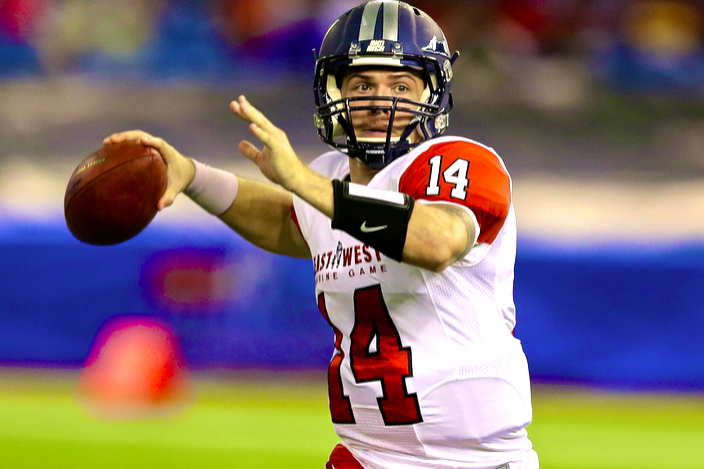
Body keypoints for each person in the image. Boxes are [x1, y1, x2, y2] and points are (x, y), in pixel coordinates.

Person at [104, 1, 538, 468]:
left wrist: (305, 184)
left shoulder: (459, 162)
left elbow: (435, 241)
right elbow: (286, 222)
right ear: (334, 92)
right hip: (366, 455)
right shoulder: (328, 179)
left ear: (432, 94)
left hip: (474, 462)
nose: (380, 100)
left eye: (401, 84)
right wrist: (193, 176)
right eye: (362, 84)